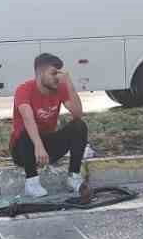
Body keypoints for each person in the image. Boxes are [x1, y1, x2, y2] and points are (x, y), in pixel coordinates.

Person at [10, 53, 89, 198]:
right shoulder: (24, 89)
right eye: (53, 73)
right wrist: (39, 146)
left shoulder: (60, 88)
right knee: (26, 132)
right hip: (23, 150)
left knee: (79, 126)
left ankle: (73, 177)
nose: (57, 77)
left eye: (59, 73)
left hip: (46, 149)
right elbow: (28, 118)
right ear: (40, 74)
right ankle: (31, 182)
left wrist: (69, 84)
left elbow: (77, 113)